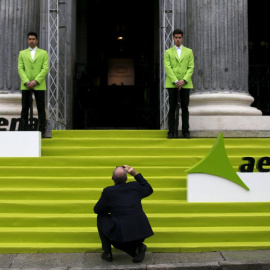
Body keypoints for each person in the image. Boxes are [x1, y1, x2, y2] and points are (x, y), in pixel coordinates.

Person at [94, 165, 154, 263]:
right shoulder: (135, 186)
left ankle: (107, 253)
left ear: (112, 178)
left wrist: (110, 208)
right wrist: (135, 174)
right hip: (140, 230)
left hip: (123, 233)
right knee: (120, 237)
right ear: (126, 178)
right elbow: (149, 189)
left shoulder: (109, 191)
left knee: (101, 217)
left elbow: (97, 210)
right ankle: (138, 247)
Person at [164, 29, 194, 139]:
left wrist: (184, 80)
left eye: (179, 37)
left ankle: (186, 131)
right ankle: (171, 131)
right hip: (172, 84)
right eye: (176, 37)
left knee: (185, 108)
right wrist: (176, 81)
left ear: (182, 38)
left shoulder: (188, 51)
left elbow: (191, 67)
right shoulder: (168, 52)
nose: (178, 39)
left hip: (185, 84)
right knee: (172, 108)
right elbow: (168, 67)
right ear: (173, 38)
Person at [18, 31, 49, 138]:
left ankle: (42, 130)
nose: (31, 41)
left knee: (41, 107)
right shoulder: (22, 53)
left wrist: (36, 81)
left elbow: (45, 68)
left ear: (37, 40)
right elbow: (20, 68)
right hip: (26, 84)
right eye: (30, 39)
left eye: (33, 39)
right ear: (28, 40)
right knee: (24, 107)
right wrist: (27, 81)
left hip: (39, 84)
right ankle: (23, 128)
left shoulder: (43, 53)